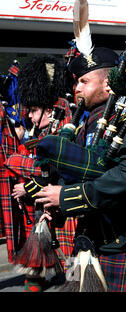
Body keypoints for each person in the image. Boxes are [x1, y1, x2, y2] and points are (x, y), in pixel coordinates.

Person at [33, 47, 126, 292]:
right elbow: (88, 172)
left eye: (85, 81)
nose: (77, 88)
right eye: (76, 82)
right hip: (93, 244)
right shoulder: (88, 123)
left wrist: (66, 197)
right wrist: (57, 203)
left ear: (108, 85)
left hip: (123, 247)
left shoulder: (124, 121)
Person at [3, 55, 74, 292]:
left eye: (34, 110)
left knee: (72, 265)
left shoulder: (65, 129)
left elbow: (52, 170)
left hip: (65, 207)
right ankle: (36, 276)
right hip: (44, 205)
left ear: (49, 109)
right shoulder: (43, 131)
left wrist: (27, 186)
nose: (30, 116)